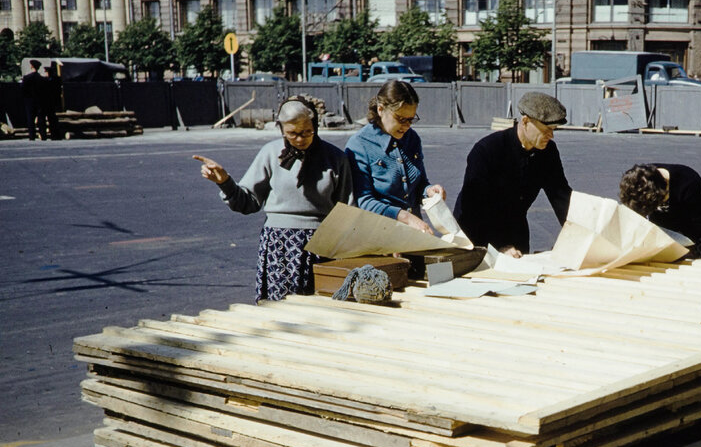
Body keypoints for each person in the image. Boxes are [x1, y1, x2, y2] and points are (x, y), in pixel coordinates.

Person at [193, 96, 355, 302]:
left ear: (315, 126)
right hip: (280, 248)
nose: (300, 139)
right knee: (280, 310)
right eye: (292, 134)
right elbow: (248, 202)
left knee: (320, 311)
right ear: (282, 130)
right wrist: (225, 182)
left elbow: (347, 210)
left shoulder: (336, 158)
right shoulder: (270, 153)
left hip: (322, 246)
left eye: (307, 132)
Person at [453, 91, 573, 257]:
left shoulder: (548, 152)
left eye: (554, 129)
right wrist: (498, 245)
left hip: (516, 231)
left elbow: (561, 196)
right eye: (546, 129)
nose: (551, 135)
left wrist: (580, 233)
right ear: (525, 121)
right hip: (475, 233)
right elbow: (474, 209)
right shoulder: (487, 150)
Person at [343, 80, 445, 234]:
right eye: (401, 119)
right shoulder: (359, 144)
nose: (407, 126)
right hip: (379, 236)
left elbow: (419, 184)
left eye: (411, 119)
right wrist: (405, 217)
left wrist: (429, 191)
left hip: (414, 234)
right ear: (380, 109)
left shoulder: (412, 139)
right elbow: (363, 201)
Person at [618, 163, 701, 259]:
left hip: (689, 229)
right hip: (660, 227)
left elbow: (700, 228)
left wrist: (682, 252)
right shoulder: (638, 181)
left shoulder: (689, 183)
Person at [21, 60, 46, 141]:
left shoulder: (27, 78)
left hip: (30, 101)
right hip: (40, 101)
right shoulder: (42, 79)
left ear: (31, 66)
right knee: (41, 119)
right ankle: (43, 135)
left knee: (30, 119)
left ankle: (32, 136)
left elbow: (23, 89)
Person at [40, 62, 62, 141]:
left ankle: (44, 135)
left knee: (43, 119)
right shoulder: (57, 79)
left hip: (45, 102)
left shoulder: (44, 80)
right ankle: (55, 134)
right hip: (53, 102)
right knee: (52, 119)